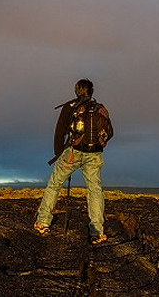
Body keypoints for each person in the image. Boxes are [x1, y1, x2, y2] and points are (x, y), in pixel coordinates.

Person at [34, 79, 114, 245]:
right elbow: (110, 132)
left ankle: (42, 223)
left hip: (73, 153)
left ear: (76, 91)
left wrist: (59, 154)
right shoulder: (100, 108)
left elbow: (59, 133)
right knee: (94, 190)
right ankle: (97, 232)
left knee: (55, 183)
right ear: (91, 91)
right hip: (95, 154)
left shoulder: (70, 107)